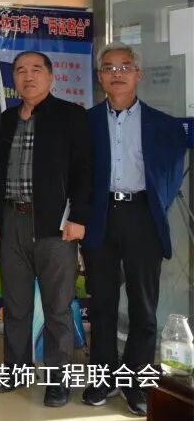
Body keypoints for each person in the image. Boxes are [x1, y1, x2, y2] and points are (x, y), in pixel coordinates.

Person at [80, 43, 187, 416]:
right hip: (101, 216)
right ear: (100, 77)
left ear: (138, 74)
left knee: (143, 305)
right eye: (109, 68)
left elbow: (171, 173)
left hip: (142, 216)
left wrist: (156, 204)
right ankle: (104, 377)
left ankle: (135, 381)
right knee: (102, 303)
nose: (117, 73)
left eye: (125, 66)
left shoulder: (164, 124)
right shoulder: (87, 122)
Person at [0, 51, 92, 408]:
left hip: (54, 225)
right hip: (12, 220)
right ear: (14, 79)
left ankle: (57, 380)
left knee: (57, 307)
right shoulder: (5, 119)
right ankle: (16, 369)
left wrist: (79, 217)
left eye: (36, 70)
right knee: (16, 303)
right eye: (20, 71)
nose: (28, 76)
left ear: (51, 77)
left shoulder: (70, 116)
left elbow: (84, 170)